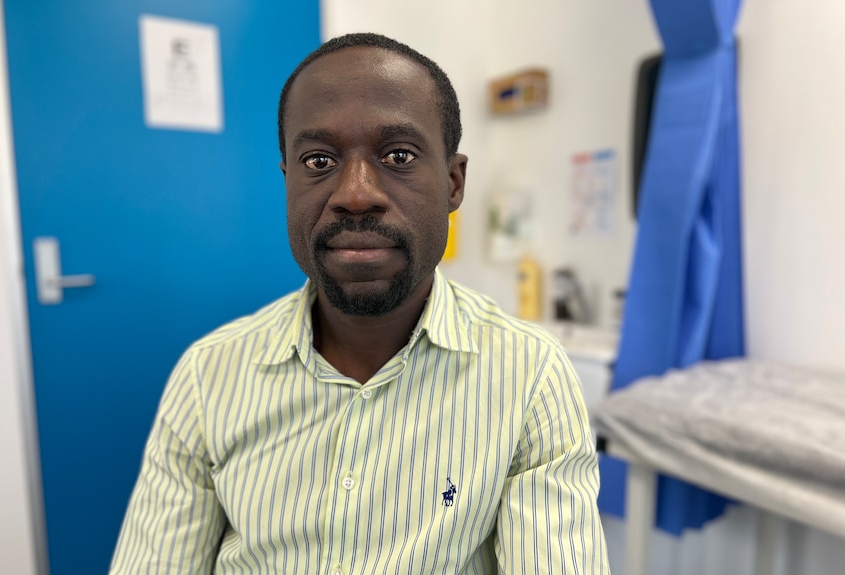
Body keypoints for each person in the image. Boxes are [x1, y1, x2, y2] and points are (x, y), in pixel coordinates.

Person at [110, 32, 610, 574]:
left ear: (453, 182)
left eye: (398, 154)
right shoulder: (208, 377)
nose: (355, 193)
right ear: (287, 181)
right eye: (319, 160)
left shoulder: (529, 375)